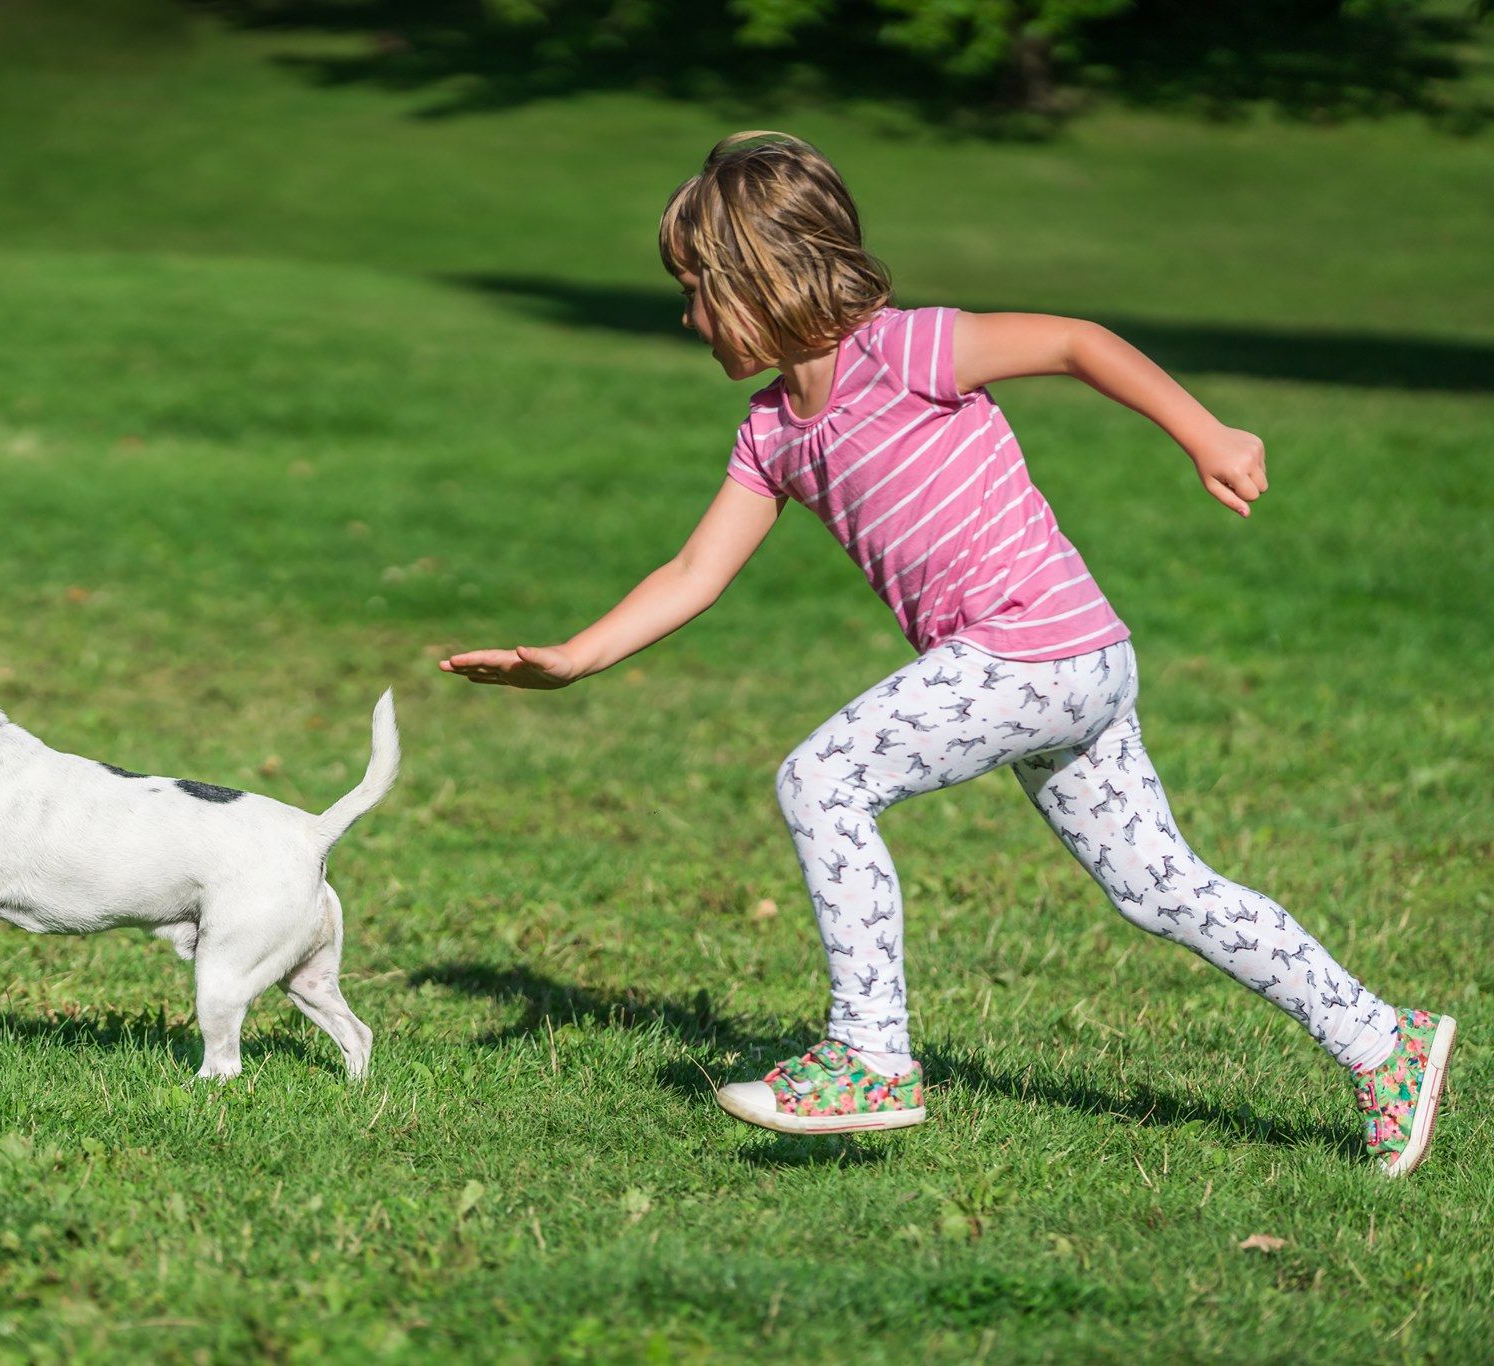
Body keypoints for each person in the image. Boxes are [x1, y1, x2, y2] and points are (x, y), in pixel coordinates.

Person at [439, 131, 1452, 1176]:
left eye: (697, 288)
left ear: (758, 278)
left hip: (1032, 648)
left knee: (821, 779)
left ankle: (869, 1056)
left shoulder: (904, 349)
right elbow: (695, 570)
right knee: (1159, 887)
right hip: (1071, 661)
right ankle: (1386, 1044)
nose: (686, 314)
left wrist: (1205, 433)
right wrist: (572, 657)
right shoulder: (771, 434)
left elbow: (1074, 340)